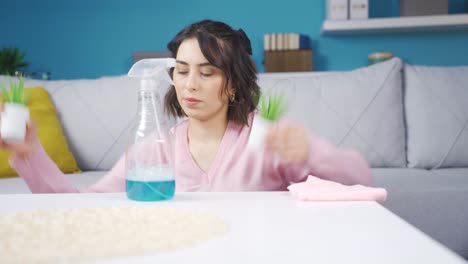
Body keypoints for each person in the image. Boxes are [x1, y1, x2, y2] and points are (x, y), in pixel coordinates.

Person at [0, 20, 372, 193]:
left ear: (232, 86)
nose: (190, 84)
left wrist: (310, 152)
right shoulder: (154, 150)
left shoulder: (265, 142)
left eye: (207, 73)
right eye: (181, 71)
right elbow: (82, 209)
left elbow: (360, 180)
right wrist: (32, 155)